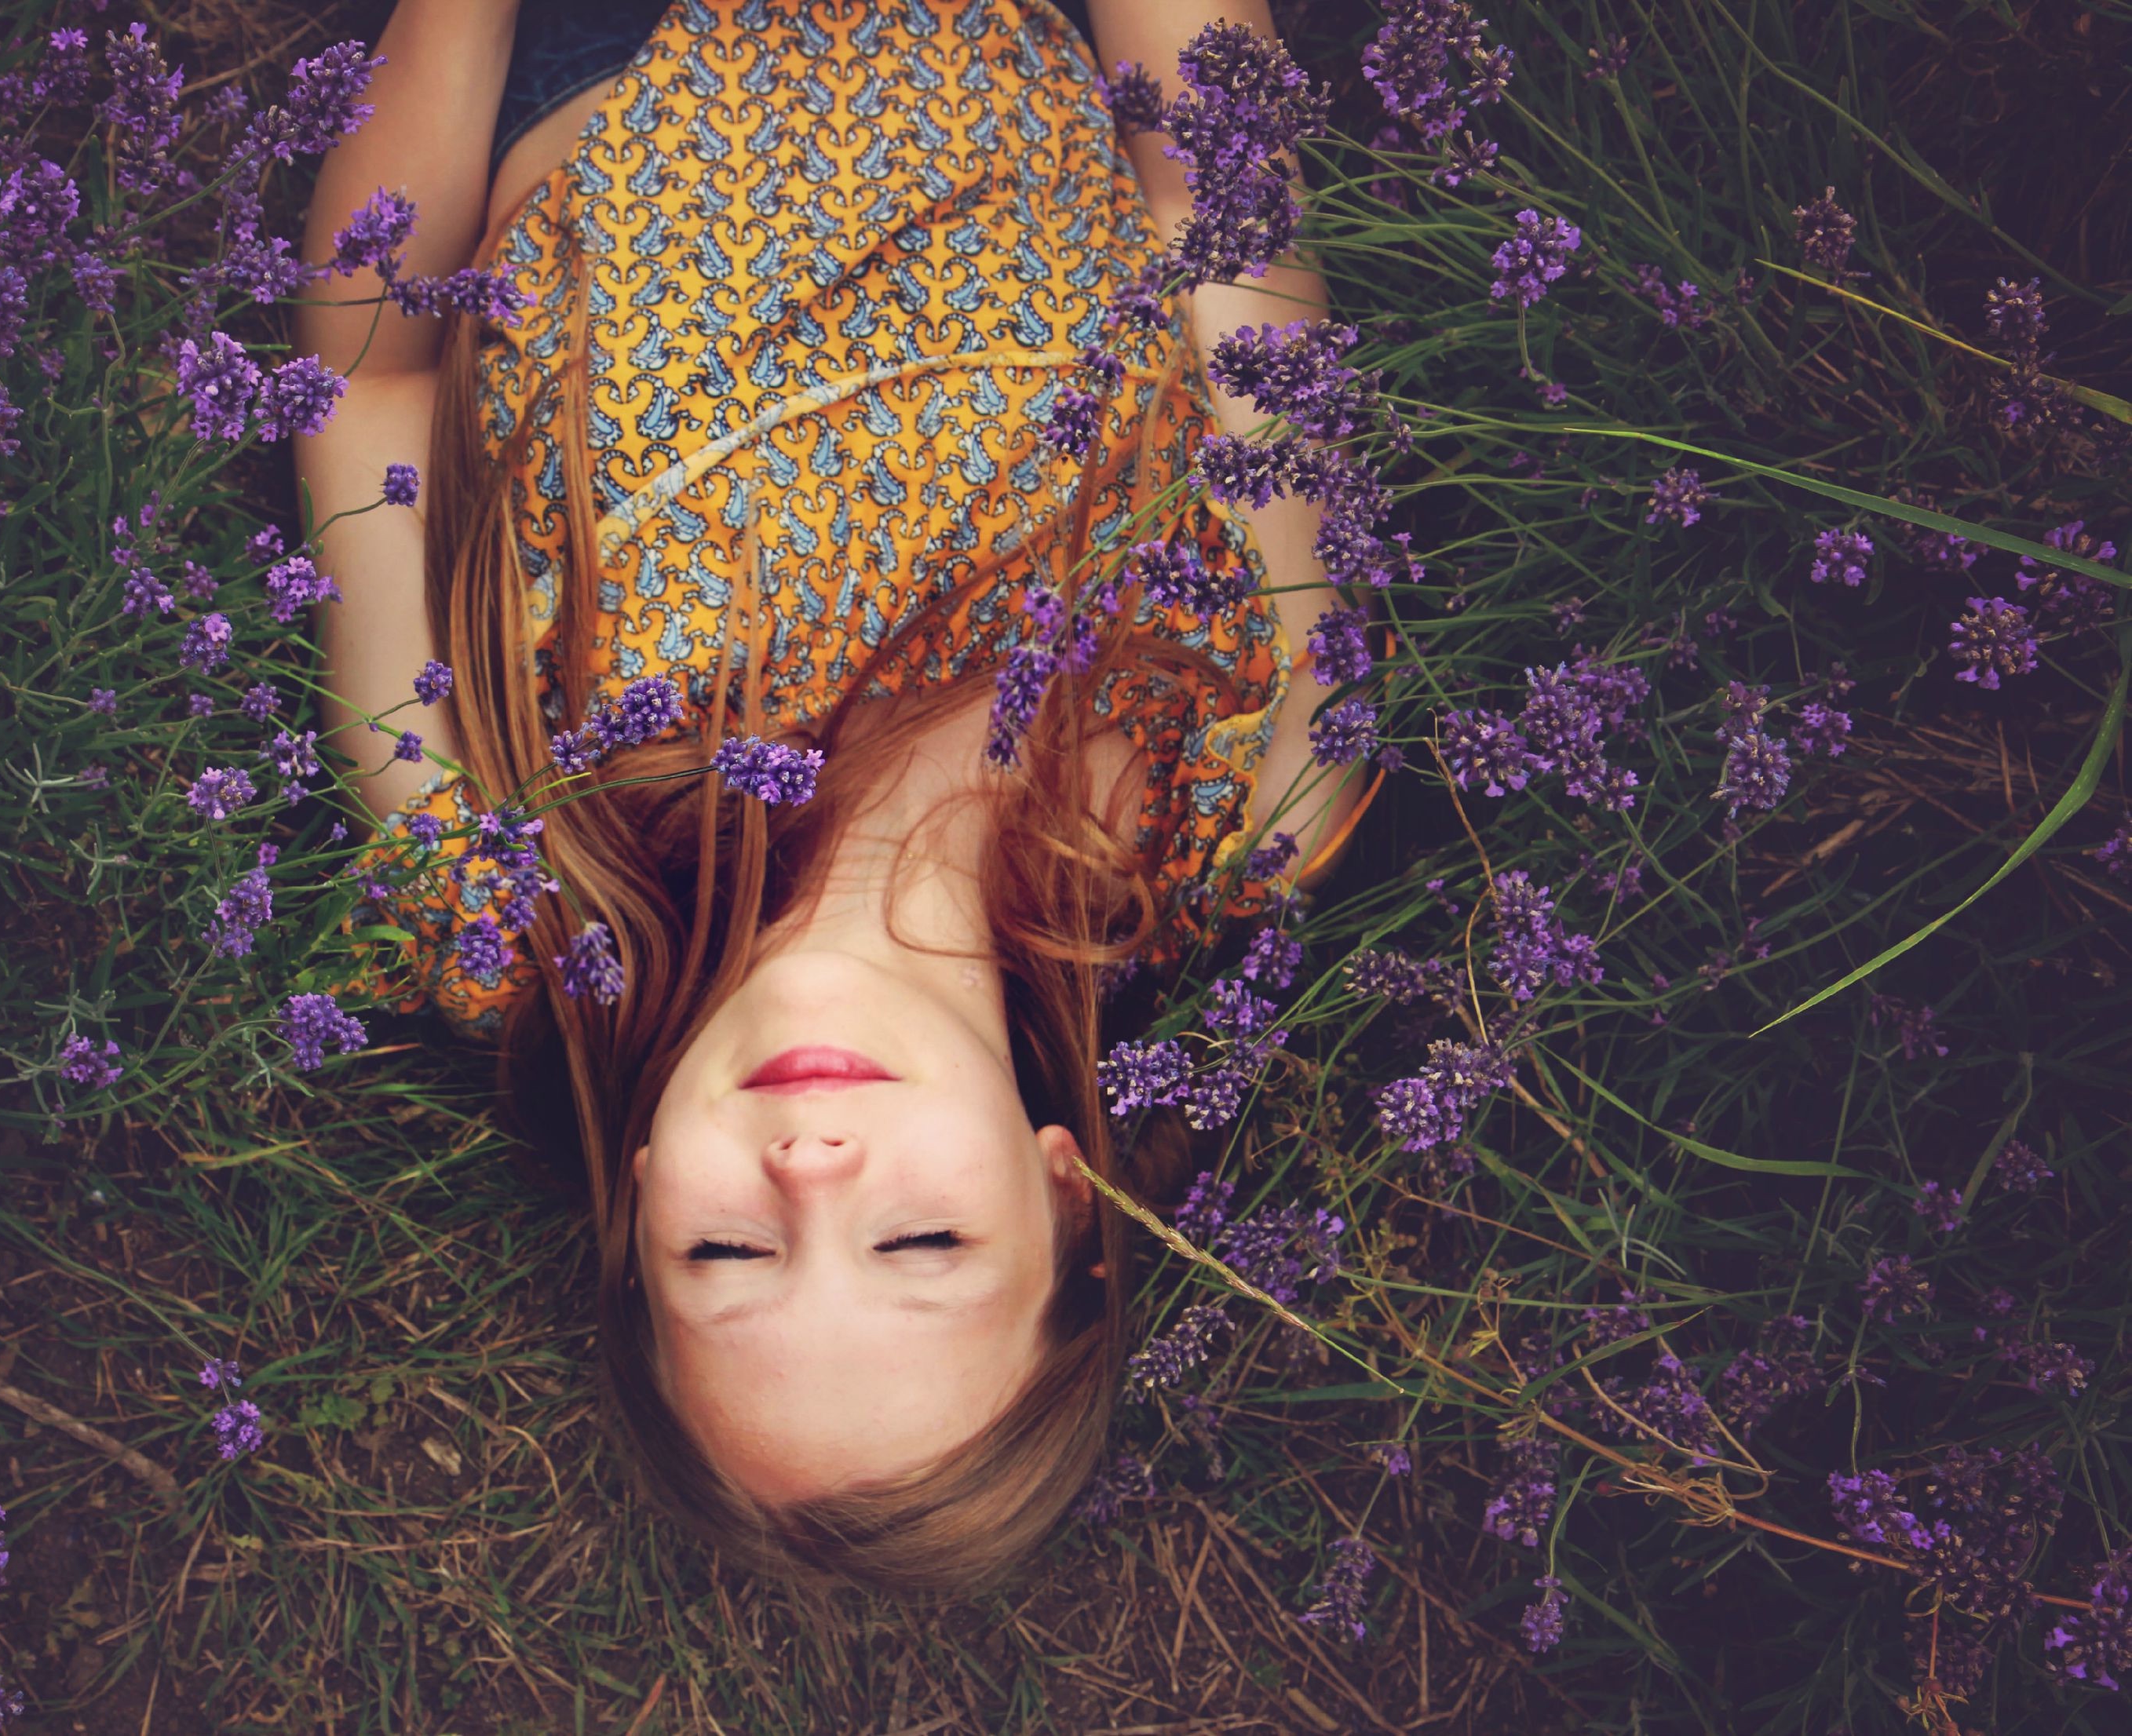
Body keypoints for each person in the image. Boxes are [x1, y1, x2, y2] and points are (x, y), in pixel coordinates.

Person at [292, 0, 1371, 1595]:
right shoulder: (1250, 796)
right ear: (1066, 1193)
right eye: (920, 1245)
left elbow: (367, 388)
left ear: (644, 1205)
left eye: (729, 1255)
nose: (811, 1173)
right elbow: (1224, 227)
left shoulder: (498, 902)